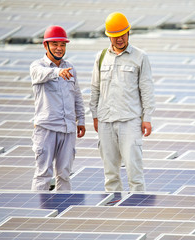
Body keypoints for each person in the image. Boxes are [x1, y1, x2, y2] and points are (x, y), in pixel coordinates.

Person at [90, 12, 155, 192]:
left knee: (134, 173)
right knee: (110, 175)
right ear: (109, 36)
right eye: (115, 36)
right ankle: (114, 213)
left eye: (123, 34)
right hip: (105, 122)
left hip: (130, 122)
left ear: (129, 33)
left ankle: (137, 212)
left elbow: (147, 89)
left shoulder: (140, 57)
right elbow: (94, 88)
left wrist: (147, 117)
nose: (119, 39)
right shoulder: (101, 57)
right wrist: (94, 115)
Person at [30, 25, 86, 191]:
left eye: (62, 45)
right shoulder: (37, 66)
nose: (59, 48)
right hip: (46, 128)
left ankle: (62, 212)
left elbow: (77, 95)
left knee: (64, 174)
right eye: (55, 44)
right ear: (45, 45)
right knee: (43, 174)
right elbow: (40, 74)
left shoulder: (70, 68)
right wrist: (57, 72)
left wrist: (81, 120)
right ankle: (38, 213)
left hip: (68, 129)